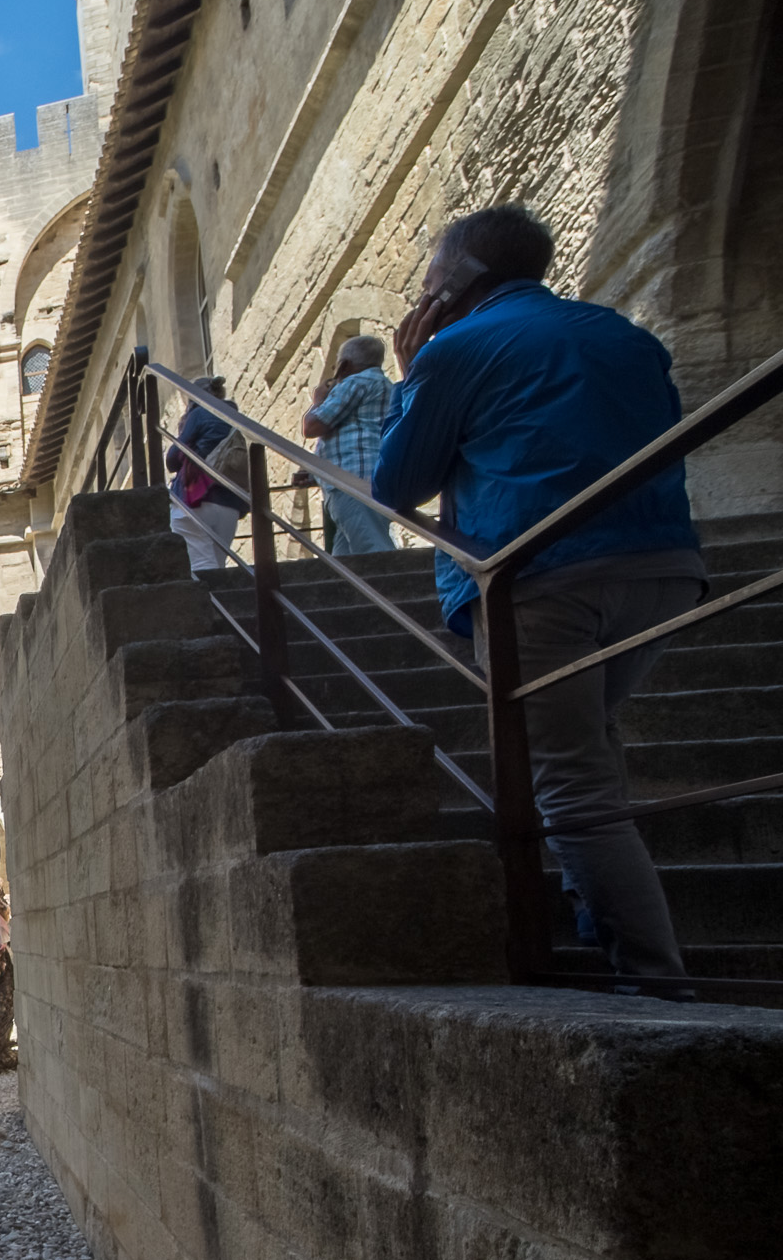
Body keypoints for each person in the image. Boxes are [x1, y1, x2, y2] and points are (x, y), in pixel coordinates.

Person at [373, 203, 708, 986]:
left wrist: (411, 376)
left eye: (430, 276)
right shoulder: (623, 334)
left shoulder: (453, 349)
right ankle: (594, 907)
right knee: (589, 736)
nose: (421, 292)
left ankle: (654, 978)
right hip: (662, 569)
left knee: (568, 782)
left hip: (542, 579)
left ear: (458, 279)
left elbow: (396, 484)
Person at [302, 335, 398, 554]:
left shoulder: (356, 382)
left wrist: (319, 400)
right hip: (370, 476)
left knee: (372, 547)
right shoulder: (384, 385)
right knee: (344, 559)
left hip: (350, 481)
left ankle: (397, 578)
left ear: (344, 365)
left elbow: (313, 426)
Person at [165, 375, 250, 572]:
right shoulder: (232, 417)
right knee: (217, 564)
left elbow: (173, 457)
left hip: (196, 498)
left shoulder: (199, 414)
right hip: (230, 502)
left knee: (199, 563)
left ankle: (209, 593)